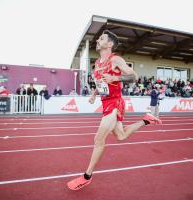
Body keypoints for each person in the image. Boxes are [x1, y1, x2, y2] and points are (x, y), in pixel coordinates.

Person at [67, 30, 162, 190]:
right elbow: (100, 82)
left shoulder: (115, 59)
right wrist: (94, 94)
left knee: (98, 140)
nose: (98, 39)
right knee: (121, 136)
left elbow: (134, 77)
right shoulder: (97, 63)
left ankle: (87, 176)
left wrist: (116, 78)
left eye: (102, 38)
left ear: (109, 44)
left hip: (115, 102)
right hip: (106, 103)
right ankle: (147, 119)